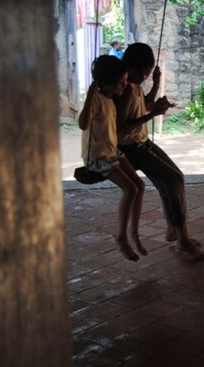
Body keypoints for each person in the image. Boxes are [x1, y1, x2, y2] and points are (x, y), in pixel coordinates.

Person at [116, 43, 204, 261]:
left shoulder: (132, 86)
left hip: (141, 143)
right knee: (172, 179)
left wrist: (157, 87)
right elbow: (120, 128)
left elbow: (144, 105)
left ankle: (175, 230)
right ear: (129, 67)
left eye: (147, 74)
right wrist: (153, 115)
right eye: (142, 73)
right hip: (131, 148)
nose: (144, 77)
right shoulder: (124, 90)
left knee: (173, 178)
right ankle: (182, 240)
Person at [78, 55, 146, 262]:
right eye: (120, 82)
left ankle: (134, 233)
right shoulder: (97, 99)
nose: (125, 85)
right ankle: (122, 238)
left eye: (125, 80)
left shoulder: (110, 98)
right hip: (97, 157)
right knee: (130, 189)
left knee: (140, 185)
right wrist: (90, 94)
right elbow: (83, 124)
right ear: (105, 83)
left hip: (111, 151)